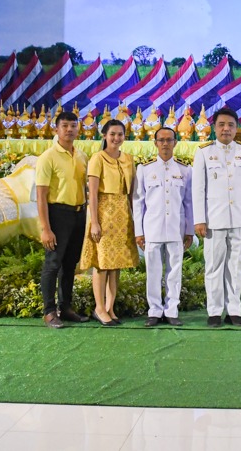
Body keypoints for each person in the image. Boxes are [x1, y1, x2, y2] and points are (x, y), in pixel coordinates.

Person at [192, 107, 241, 327]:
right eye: (221, 124)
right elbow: (198, 189)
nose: (226, 129)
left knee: (236, 265)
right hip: (214, 219)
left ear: (236, 127)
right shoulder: (204, 153)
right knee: (214, 265)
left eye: (230, 125)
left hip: (239, 218)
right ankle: (214, 311)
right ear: (214, 127)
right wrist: (199, 219)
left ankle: (234, 310)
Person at [79, 119, 137, 327]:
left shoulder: (128, 159)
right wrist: (94, 222)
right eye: (112, 134)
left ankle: (110, 307)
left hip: (122, 214)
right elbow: (92, 194)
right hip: (103, 212)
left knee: (116, 263)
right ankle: (99, 307)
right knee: (102, 263)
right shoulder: (97, 158)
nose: (116, 138)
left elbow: (131, 194)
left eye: (120, 134)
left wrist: (134, 218)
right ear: (104, 135)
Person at [134, 127, 194, 327]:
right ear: (155, 143)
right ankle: (154, 310)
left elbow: (188, 203)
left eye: (169, 140)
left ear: (176, 142)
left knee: (174, 271)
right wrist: (139, 232)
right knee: (153, 270)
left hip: (176, 228)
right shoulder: (145, 169)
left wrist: (189, 230)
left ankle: (171, 310)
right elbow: (138, 202)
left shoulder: (184, 170)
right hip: (152, 227)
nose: (165, 144)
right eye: (162, 140)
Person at [36, 111, 89, 328]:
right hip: (58, 214)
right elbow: (40, 195)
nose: (69, 130)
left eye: (73, 126)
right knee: (53, 263)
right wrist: (45, 228)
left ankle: (65, 308)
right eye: (65, 126)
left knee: (70, 264)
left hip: (79, 214)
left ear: (78, 129)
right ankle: (49, 312)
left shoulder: (82, 156)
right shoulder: (48, 157)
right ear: (56, 129)